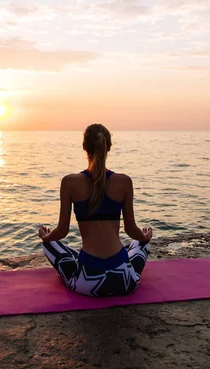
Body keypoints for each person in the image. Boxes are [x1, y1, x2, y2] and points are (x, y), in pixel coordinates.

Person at [38, 123, 152, 297]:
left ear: (84, 147)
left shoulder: (69, 182)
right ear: (109, 147)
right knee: (141, 242)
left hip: (87, 283)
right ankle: (135, 252)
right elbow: (131, 230)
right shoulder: (124, 182)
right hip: (124, 280)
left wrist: (47, 237)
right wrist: (145, 237)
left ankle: (74, 257)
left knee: (49, 244)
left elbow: (61, 232)